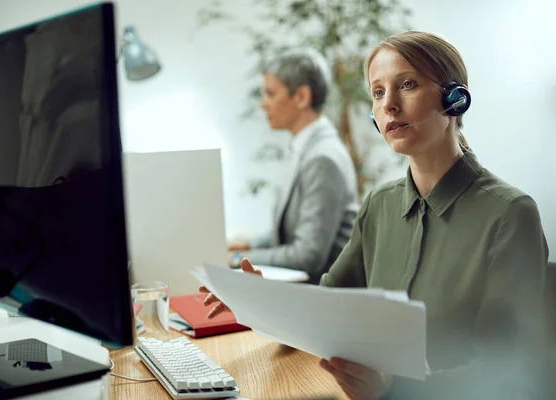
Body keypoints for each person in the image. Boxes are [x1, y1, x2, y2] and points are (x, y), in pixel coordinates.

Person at [202, 31, 550, 400]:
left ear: (455, 99)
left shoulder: (509, 214)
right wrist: (259, 302)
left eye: (408, 85)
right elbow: (327, 307)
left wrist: (395, 388)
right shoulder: (379, 204)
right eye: (379, 92)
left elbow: (511, 369)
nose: (389, 105)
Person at [228, 47, 359, 284]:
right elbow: (292, 231)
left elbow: (307, 255)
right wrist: (247, 244)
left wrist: (237, 258)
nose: (262, 104)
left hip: (322, 302)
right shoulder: (305, 146)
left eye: (270, 93)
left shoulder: (322, 158)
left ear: (301, 97)